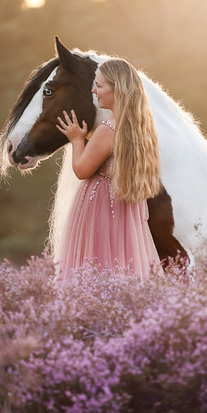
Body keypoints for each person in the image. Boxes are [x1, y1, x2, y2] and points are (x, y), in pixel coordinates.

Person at [54, 58, 162, 280]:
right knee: (121, 263)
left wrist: (76, 139)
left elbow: (82, 170)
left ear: (117, 89)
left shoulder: (109, 128)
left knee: (97, 261)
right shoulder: (142, 129)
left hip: (101, 205)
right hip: (126, 209)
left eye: (99, 85)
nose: (94, 90)